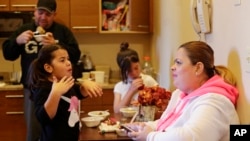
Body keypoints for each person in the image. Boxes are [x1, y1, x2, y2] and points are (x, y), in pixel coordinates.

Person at [125, 41, 239, 141]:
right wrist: (145, 126)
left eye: (178, 62)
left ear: (198, 68)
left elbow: (190, 137)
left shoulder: (215, 102)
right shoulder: (180, 94)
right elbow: (167, 124)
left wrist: (150, 136)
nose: (172, 67)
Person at [1, 0, 81, 141]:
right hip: (33, 88)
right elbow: (8, 54)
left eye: (48, 14)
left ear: (54, 15)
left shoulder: (62, 31)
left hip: (60, 87)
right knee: (34, 129)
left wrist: (56, 43)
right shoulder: (24, 30)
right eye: (40, 12)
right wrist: (17, 41)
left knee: (63, 128)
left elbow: (75, 55)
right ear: (34, 11)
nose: (43, 17)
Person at [27, 44, 103, 141]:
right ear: (48, 68)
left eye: (68, 59)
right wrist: (55, 93)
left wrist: (85, 84)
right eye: (62, 60)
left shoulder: (66, 82)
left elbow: (79, 92)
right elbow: (43, 118)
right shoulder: (43, 88)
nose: (68, 63)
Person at [113, 42, 158, 113]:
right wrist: (131, 90)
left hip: (144, 122)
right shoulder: (119, 86)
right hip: (126, 122)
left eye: (136, 68)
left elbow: (160, 105)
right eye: (129, 70)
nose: (134, 73)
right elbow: (117, 111)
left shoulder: (148, 80)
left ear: (139, 64)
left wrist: (142, 105)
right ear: (122, 71)